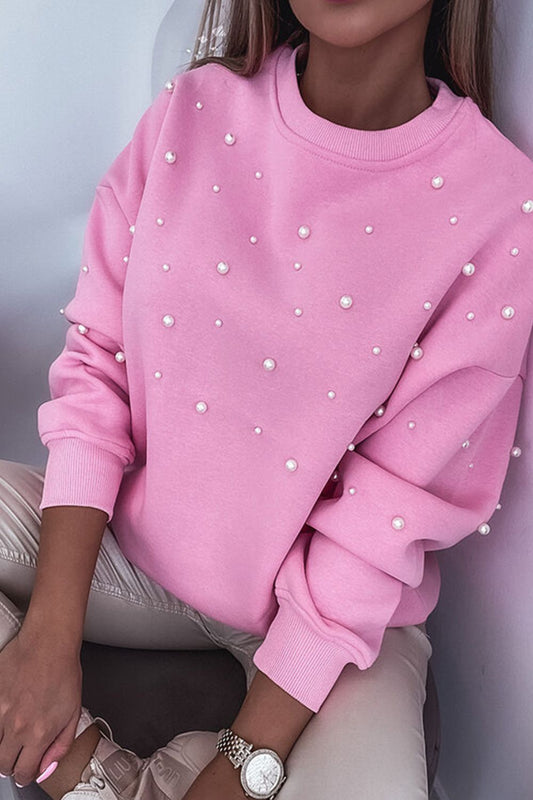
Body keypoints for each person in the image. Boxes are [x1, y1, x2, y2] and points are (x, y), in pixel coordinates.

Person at [0, 0, 531, 797]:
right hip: (133, 563)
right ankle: (96, 776)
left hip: (337, 634)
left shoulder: (497, 206)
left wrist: (238, 768)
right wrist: (47, 641)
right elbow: (97, 370)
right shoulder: (191, 111)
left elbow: (387, 519)